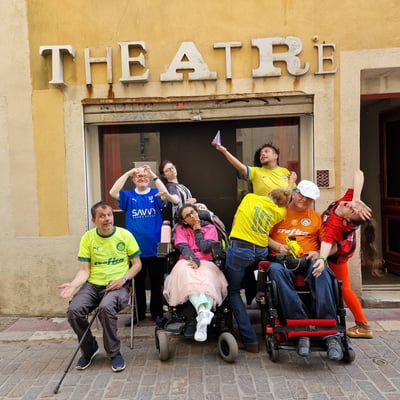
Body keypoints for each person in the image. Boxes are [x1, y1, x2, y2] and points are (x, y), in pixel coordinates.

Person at [58, 201, 142, 372]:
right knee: (74, 310)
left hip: (118, 286)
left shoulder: (125, 235)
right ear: (94, 220)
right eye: (102, 216)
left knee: (105, 308)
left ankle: (114, 353)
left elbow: (137, 264)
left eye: (109, 215)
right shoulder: (88, 238)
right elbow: (84, 270)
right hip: (93, 285)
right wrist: (73, 285)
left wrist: (123, 279)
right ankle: (89, 349)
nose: (107, 219)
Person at [267, 180, 343, 360]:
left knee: (321, 270)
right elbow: (262, 236)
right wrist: (278, 246)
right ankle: (300, 327)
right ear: (294, 193)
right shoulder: (277, 212)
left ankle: (329, 332)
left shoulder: (316, 217)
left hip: (309, 259)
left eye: (309, 198)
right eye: (302, 195)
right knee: (275, 271)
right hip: (282, 259)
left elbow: (332, 244)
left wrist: (319, 254)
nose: (304, 200)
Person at [225, 185, 294, 353]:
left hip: (240, 249)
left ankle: (250, 341)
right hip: (261, 252)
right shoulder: (280, 212)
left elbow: (235, 221)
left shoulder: (250, 197)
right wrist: (291, 183)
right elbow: (285, 199)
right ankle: (258, 291)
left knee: (233, 292)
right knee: (258, 277)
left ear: (269, 193)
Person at [314, 170, 382, 339]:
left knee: (344, 288)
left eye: (352, 210)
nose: (350, 206)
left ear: (346, 220)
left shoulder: (336, 225)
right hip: (336, 251)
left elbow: (328, 243)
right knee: (339, 287)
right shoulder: (349, 203)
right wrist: (356, 198)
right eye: (353, 206)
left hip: (337, 255)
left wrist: (320, 257)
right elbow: (359, 173)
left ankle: (363, 325)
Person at [109, 165, 176, 325]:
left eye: (145, 176)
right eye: (138, 176)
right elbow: (112, 192)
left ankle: (157, 313)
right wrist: (128, 172)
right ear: (133, 179)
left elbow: (165, 194)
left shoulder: (155, 193)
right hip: (135, 250)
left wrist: (153, 175)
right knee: (137, 284)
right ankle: (138, 314)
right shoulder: (128, 195)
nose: (142, 178)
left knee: (156, 283)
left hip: (156, 247)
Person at [162, 204, 228, 342]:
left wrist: (198, 231)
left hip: (207, 262)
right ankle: (203, 312)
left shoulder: (210, 228)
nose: (192, 216)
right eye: (188, 215)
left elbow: (205, 248)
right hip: (187, 261)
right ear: (184, 221)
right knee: (190, 279)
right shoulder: (180, 229)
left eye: (193, 212)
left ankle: (203, 314)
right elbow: (184, 248)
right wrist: (194, 260)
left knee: (207, 281)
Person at [214, 142, 296, 195]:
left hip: (283, 213)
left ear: (275, 156)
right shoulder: (256, 171)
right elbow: (240, 167)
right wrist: (224, 151)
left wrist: (292, 181)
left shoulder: (285, 172)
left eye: (266, 151)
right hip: (264, 213)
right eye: (261, 154)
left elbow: (293, 194)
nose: (262, 154)